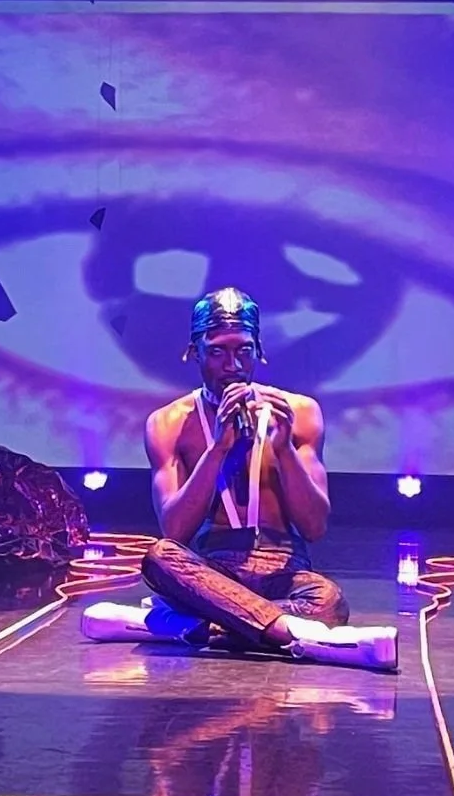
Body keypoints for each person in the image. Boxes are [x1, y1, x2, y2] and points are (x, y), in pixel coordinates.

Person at [80, 286, 398, 671]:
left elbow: (314, 527)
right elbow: (175, 531)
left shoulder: (300, 412)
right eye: (217, 351)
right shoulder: (167, 423)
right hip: (214, 570)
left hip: (283, 571)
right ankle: (297, 634)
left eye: (243, 350)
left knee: (328, 601)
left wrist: (284, 450)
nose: (232, 365)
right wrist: (217, 449)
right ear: (194, 352)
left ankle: (181, 625)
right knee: (160, 557)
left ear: (259, 351)